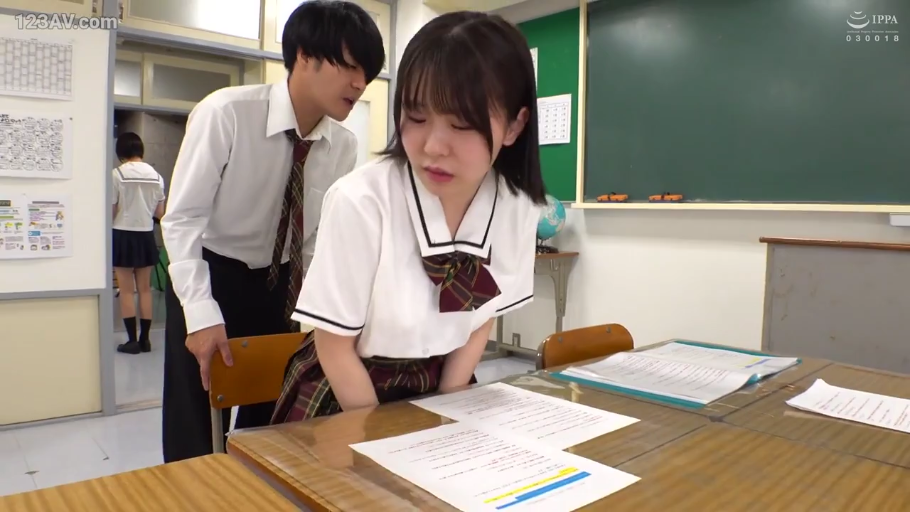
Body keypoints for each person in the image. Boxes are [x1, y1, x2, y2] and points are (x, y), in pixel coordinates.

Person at [271, 11, 546, 424]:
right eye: (416, 117)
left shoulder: (515, 207)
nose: (433, 146)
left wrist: (450, 403)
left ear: (513, 125)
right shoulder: (361, 200)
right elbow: (334, 346)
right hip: (347, 393)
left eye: (461, 124)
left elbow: (480, 321)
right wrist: (385, 438)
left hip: (446, 386)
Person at [159, 0, 384, 462]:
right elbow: (182, 218)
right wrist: (199, 311)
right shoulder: (226, 113)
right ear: (304, 55)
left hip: (282, 283)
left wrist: (321, 311)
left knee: (271, 415)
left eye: (368, 72)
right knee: (194, 417)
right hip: (211, 275)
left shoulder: (342, 144)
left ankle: (256, 489)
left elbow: (317, 237)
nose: (360, 84)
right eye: (350, 66)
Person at [111, 132, 165, 355]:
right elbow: (160, 212)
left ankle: (131, 341)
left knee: (126, 291)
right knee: (145, 290)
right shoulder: (157, 176)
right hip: (146, 235)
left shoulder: (117, 174)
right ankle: (146, 340)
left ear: (121, 152)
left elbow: (112, 210)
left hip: (122, 234)